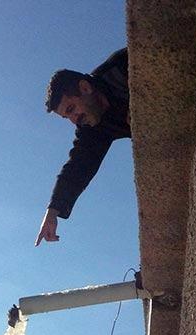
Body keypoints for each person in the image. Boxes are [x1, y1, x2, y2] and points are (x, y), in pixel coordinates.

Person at [35, 48, 131, 246]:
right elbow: (78, 167)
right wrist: (52, 211)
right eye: (66, 117)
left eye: (71, 109)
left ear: (85, 88)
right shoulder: (92, 128)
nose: (74, 119)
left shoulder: (122, 67)